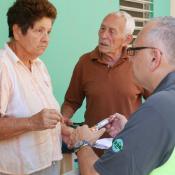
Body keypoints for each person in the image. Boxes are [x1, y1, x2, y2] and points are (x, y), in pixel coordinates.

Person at [71, 16, 175, 175]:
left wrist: (82, 144)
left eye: (134, 51)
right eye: (102, 28)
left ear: (155, 57)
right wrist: (131, 130)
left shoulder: (157, 107)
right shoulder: (167, 100)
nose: (131, 59)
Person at [0, 0, 71, 174]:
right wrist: (32, 122)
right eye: (39, 30)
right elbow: (36, 121)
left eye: (48, 31)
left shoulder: (40, 66)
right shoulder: (3, 66)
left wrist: (63, 129)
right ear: (17, 31)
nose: (46, 39)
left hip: (50, 164)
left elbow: (43, 119)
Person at [61, 11, 148, 131]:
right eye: (102, 28)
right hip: (92, 146)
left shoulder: (138, 64)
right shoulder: (85, 62)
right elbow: (71, 102)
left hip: (128, 144)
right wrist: (63, 119)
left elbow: (155, 104)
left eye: (111, 31)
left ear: (127, 40)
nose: (103, 35)